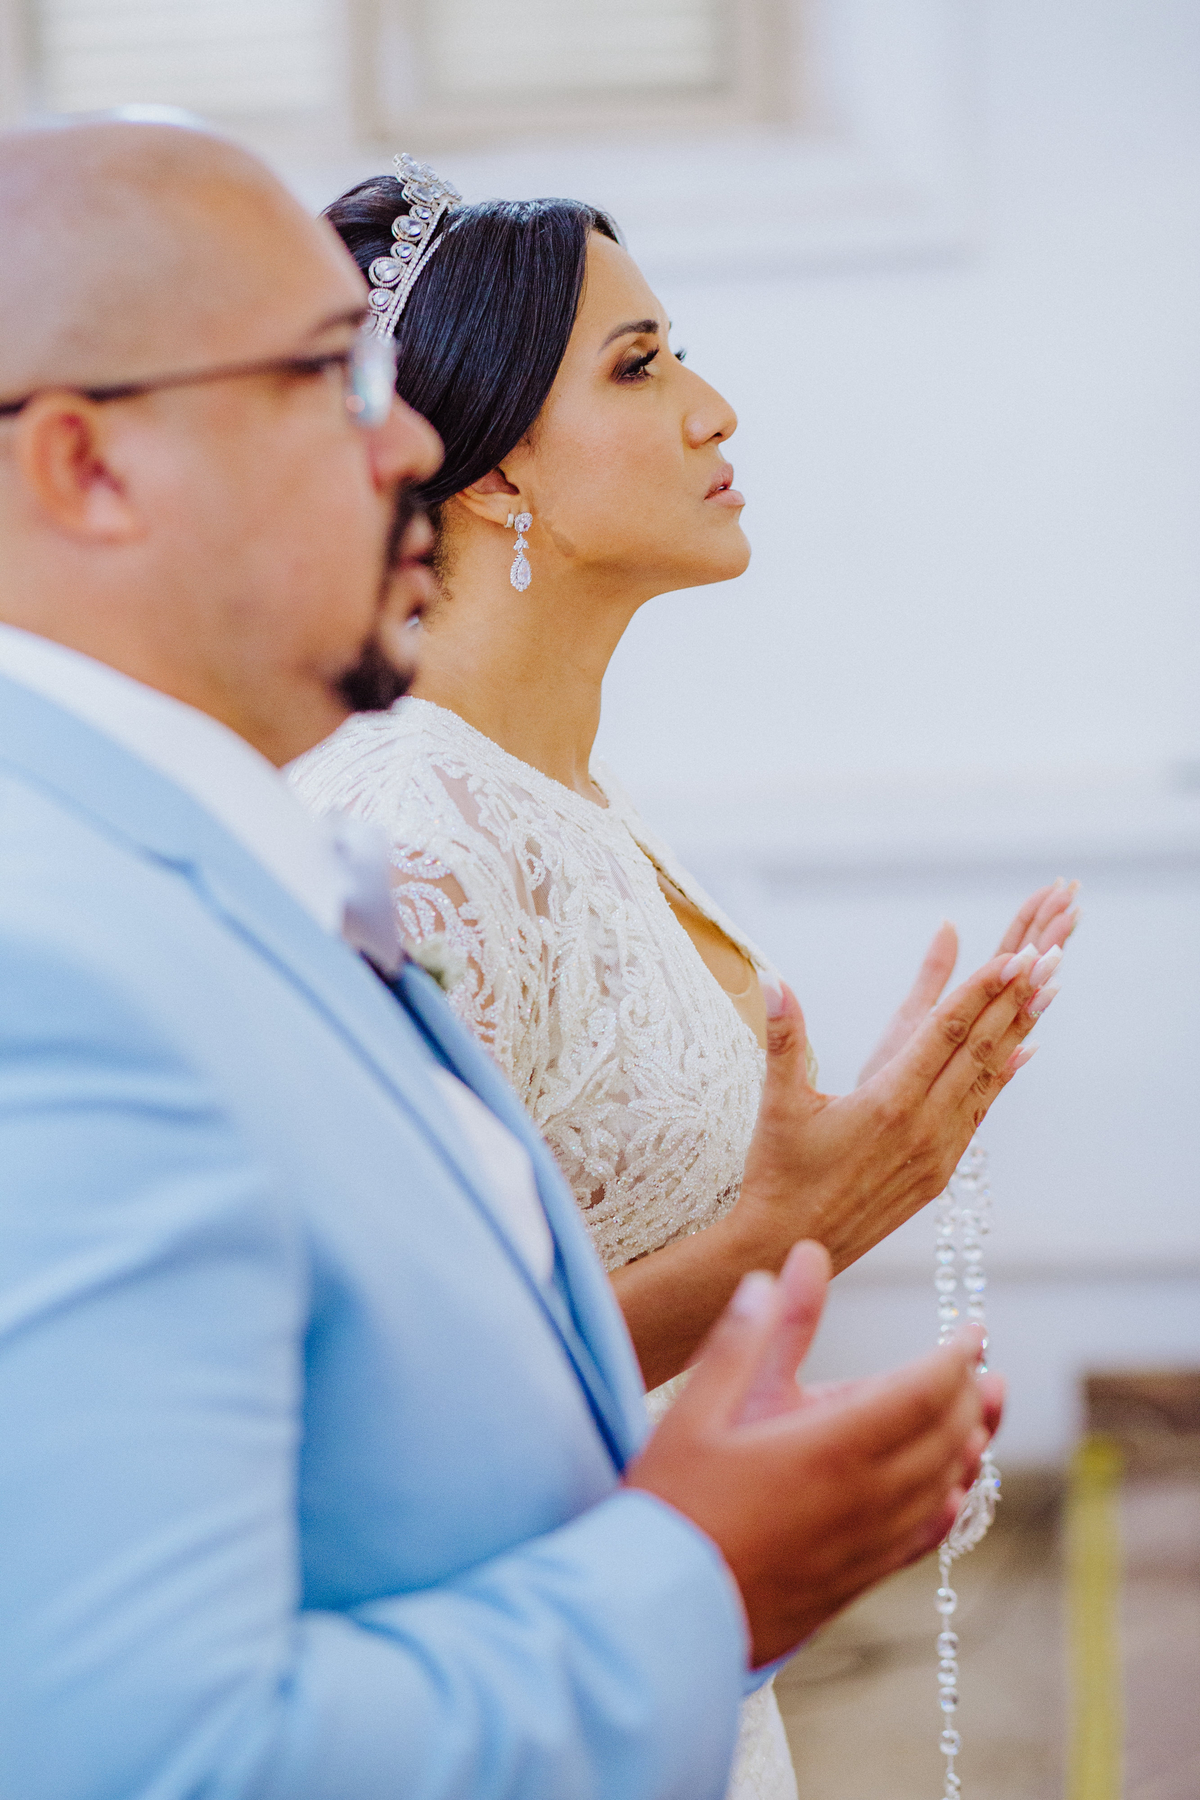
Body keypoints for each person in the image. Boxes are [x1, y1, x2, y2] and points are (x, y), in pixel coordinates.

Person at [0, 117, 1003, 1800]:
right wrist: (698, 1574)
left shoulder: (237, 846)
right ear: (89, 467)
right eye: (324, 377)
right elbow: (145, 1751)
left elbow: (407, 1402)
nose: (406, 435)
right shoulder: (67, 965)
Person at [289, 164, 1072, 1796]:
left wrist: (858, 1169)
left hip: (659, 1639)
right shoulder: (412, 841)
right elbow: (388, 1400)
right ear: (492, 465)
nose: (715, 410)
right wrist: (799, 1229)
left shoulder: (559, 796)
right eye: (639, 367)